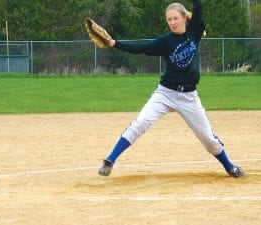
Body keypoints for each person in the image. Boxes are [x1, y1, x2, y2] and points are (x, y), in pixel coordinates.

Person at [98, 0, 246, 178]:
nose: (173, 22)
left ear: (184, 18)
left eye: (176, 18)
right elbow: (141, 48)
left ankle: (230, 167)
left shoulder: (194, 32)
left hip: (189, 96)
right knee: (141, 122)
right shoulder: (165, 42)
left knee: (207, 138)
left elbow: (198, 7)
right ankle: (109, 161)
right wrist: (115, 43)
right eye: (169, 19)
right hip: (165, 93)